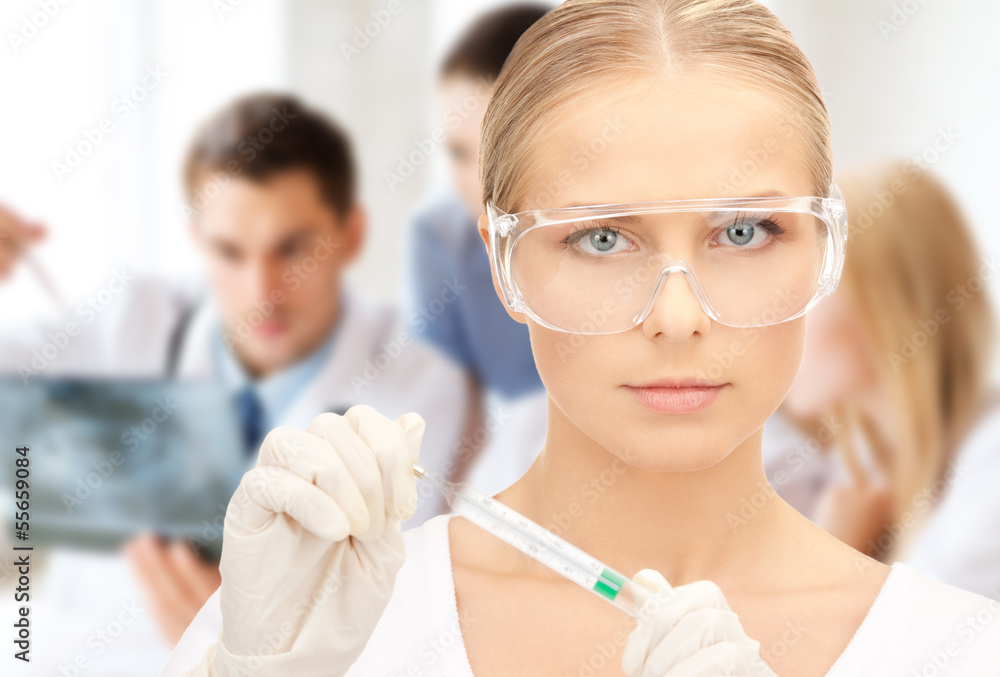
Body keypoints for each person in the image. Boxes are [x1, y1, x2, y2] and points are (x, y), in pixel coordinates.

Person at [166, 2, 1000, 676]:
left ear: (826, 247)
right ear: (502, 261)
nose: (678, 319)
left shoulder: (960, 649)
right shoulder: (312, 622)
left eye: (744, 231)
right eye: (603, 238)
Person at [0, 94, 471, 667]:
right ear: (198, 239)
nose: (261, 289)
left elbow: (397, 609)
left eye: (291, 248)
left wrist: (232, 636)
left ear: (349, 234)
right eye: (229, 251)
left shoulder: (419, 383)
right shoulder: (128, 323)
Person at [764, 161, 1000, 596]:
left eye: (801, 292)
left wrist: (835, 560)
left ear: (881, 306)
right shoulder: (863, 472)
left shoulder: (989, 473)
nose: (772, 322)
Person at [403, 4, 551, 495]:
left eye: (494, 151)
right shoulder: (440, 237)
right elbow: (448, 419)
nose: (476, 182)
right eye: (459, 153)